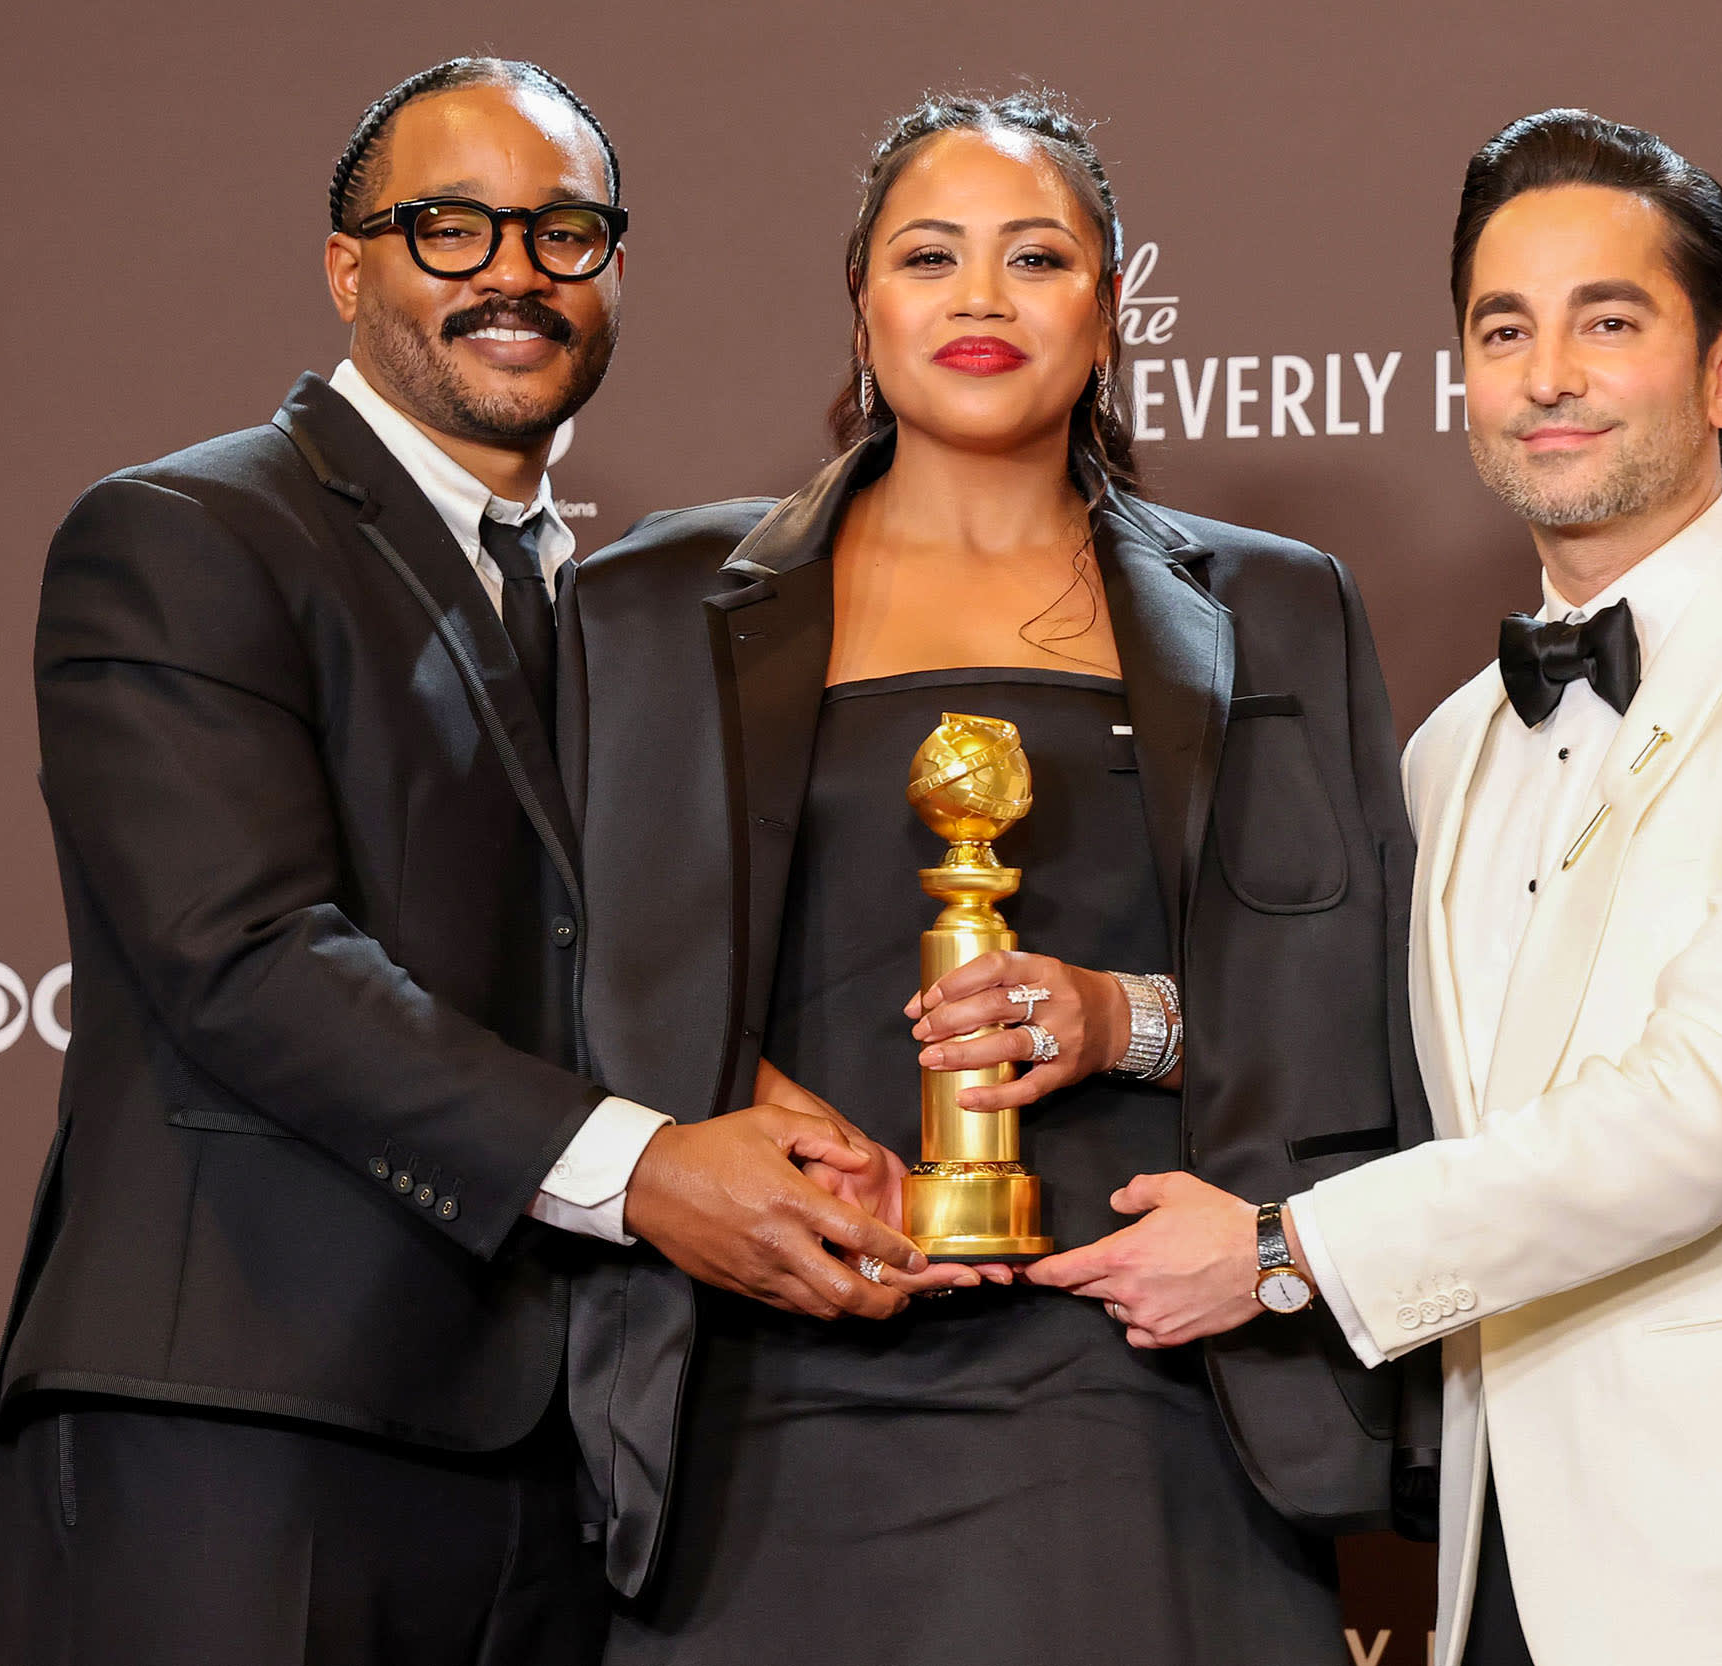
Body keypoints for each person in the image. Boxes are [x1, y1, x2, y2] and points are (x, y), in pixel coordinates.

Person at [0, 57, 925, 1666]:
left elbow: (574, 949)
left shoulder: (620, 605)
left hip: (549, 1471)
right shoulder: (187, 535)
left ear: (614, 273)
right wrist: (645, 1166)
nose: (513, 270)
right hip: (239, 1431)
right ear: (346, 267)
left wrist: (743, 1102)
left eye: (564, 231)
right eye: (448, 226)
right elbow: (251, 957)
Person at [1039, 109, 1722, 1666]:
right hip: (1496, 1563)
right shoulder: (1446, 747)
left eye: (1606, 320)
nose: (1547, 373)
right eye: (1505, 329)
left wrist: (1285, 1251)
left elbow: (1707, 1114)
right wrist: (1124, 1021)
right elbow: (1361, 1040)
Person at [560, 91, 1434, 1666]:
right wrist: (757, 1128)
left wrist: (1122, 1018)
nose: (978, 297)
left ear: (1108, 313)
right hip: (767, 1376)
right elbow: (561, 959)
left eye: (1035, 256)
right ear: (862, 306)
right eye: (929, 255)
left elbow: (1357, 995)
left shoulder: (1279, 608)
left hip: (1148, 1383)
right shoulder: (648, 607)